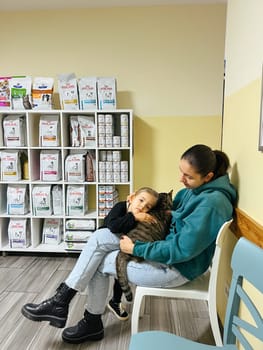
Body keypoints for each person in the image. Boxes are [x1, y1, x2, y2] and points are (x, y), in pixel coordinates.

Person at [21, 144, 237, 345]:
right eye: (181, 172)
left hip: (175, 269)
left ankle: (78, 313)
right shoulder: (195, 190)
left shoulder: (212, 203)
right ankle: (66, 306)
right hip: (160, 246)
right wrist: (136, 211)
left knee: (100, 260)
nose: (181, 179)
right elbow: (170, 213)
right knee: (100, 238)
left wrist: (135, 249)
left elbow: (180, 250)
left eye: (188, 176)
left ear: (208, 176)